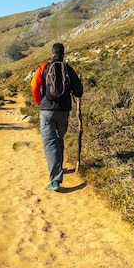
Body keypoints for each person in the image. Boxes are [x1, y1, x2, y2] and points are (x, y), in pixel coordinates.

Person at [30, 43, 83, 191]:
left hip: (47, 110)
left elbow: (34, 86)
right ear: (63, 55)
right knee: (59, 139)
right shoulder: (68, 68)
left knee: (50, 143)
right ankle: (59, 168)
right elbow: (79, 92)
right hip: (64, 112)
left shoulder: (44, 67)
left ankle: (55, 180)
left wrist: (39, 101)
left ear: (51, 54)